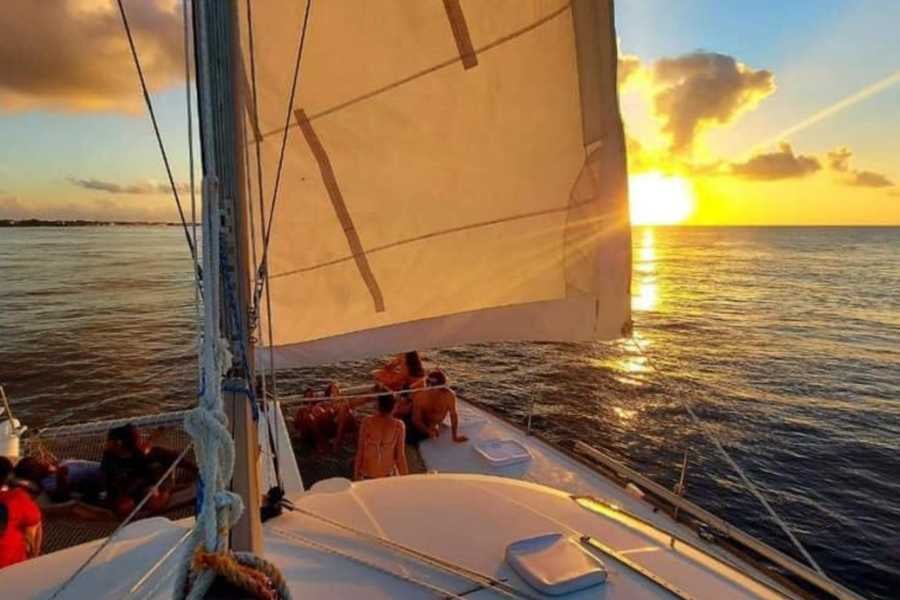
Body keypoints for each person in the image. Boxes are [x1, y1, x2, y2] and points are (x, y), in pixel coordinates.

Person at [293, 383, 365, 452]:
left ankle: (339, 440)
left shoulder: (327, 403)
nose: (311, 397)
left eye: (336, 392)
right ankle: (327, 443)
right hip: (318, 424)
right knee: (309, 417)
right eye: (308, 397)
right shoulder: (305, 409)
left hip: (329, 421)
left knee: (345, 410)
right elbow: (297, 424)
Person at [354, 390, 408, 480]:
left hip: (367, 475)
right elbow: (400, 457)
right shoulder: (399, 426)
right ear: (394, 406)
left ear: (378, 406)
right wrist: (407, 480)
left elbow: (360, 452)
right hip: (387, 476)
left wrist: (355, 478)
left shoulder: (367, 422)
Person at [0, 456, 42, 569]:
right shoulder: (17, 498)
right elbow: (35, 523)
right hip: (10, 567)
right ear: (8, 476)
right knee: (35, 521)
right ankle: (33, 561)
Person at [407, 370, 468, 445]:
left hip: (433, 425)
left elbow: (453, 415)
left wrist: (454, 436)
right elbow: (416, 420)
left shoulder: (449, 395)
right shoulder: (419, 396)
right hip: (420, 425)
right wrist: (427, 431)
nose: (429, 386)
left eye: (433, 384)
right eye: (427, 382)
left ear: (441, 385)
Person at [14, 456, 105, 504]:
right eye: (35, 466)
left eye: (38, 460)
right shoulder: (48, 482)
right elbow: (61, 497)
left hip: (105, 467)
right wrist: (61, 477)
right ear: (32, 475)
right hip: (105, 479)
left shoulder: (58, 464)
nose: (41, 463)